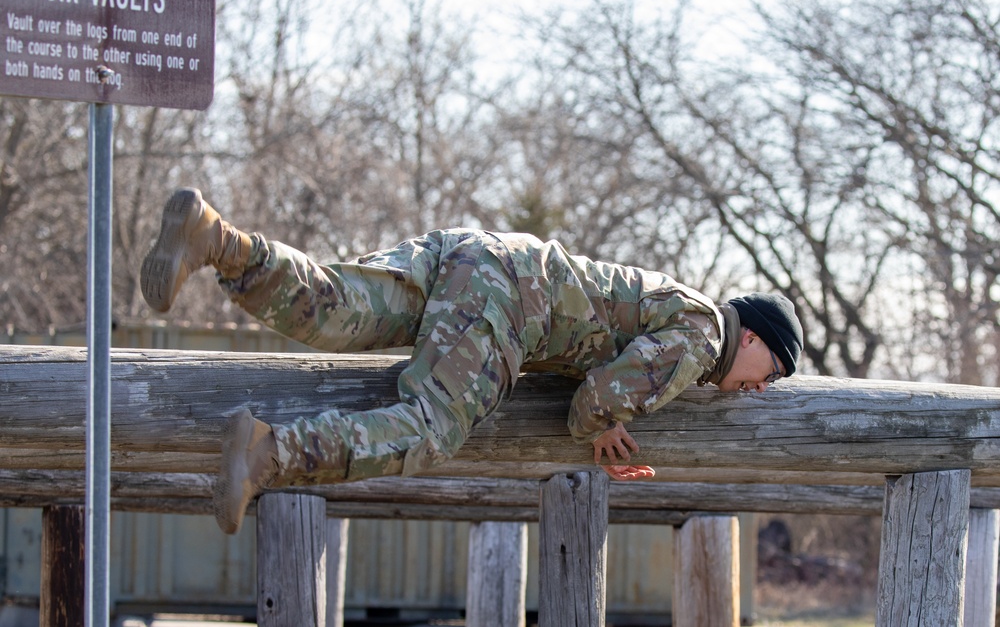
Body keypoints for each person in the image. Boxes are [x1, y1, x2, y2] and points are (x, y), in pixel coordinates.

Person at [141, 188, 803, 535]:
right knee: (433, 428)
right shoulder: (706, 335)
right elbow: (593, 401)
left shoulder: (682, 310)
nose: (759, 388)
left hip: (481, 254)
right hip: (510, 296)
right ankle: (266, 454)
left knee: (338, 307)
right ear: (753, 339)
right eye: (770, 373)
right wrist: (602, 427)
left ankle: (215, 239)